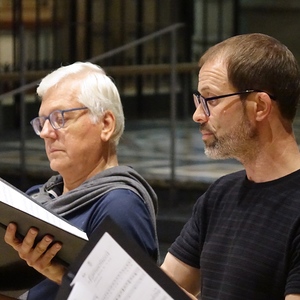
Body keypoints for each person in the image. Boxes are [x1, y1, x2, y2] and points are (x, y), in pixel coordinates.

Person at [0, 62, 159, 300]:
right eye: (42, 121)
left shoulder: (120, 206)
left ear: (106, 124)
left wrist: (63, 275)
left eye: (59, 118)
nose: (45, 132)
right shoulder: (39, 196)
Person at [161, 33, 300, 300]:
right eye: (198, 100)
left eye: (211, 100)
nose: (198, 115)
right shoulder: (219, 196)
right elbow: (161, 286)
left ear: (260, 106)